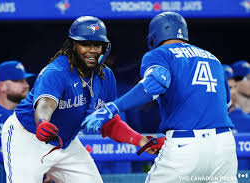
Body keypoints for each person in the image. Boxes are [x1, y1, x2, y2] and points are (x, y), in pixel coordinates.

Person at [1, 16, 164, 183]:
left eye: (97, 44)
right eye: (85, 44)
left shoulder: (106, 76)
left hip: (66, 143)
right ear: (72, 46)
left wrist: (141, 140)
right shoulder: (57, 70)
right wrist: (42, 122)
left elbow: (109, 123)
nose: (92, 50)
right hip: (28, 137)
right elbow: (44, 104)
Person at [83, 12, 238, 182]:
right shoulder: (213, 59)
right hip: (224, 147)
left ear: (154, 36)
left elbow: (155, 84)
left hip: (185, 148)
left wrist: (113, 107)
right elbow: (224, 105)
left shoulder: (160, 54)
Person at [222, 64, 250, 133]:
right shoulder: (209, 120)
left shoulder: (246, 120)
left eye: (235, 87)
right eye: (229, 88)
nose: (234, 92)